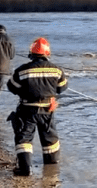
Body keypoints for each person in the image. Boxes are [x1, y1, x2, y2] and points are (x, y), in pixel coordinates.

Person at [7, 38, 68, 176]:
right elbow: (61, 88)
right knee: (50, 138)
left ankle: (24, 169)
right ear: (47, 53)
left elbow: (11, 87)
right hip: (48, 110)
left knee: (24, 138)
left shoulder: (22, 70)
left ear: (32, 53)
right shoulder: (57, 70)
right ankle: (51, 164)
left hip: (27, 109)